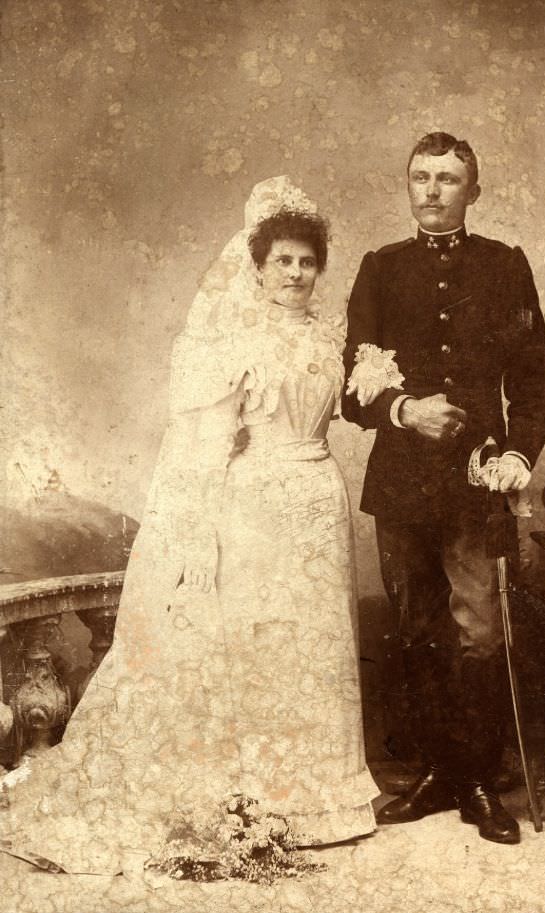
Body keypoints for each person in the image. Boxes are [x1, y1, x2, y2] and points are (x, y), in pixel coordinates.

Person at [1, 176, 378, 876]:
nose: (295, 273)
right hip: (255, 506)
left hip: (319, 501)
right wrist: (201, 535)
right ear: (258, 267)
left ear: (319, 268)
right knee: (260, 649)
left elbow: (356, 401)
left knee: (312, 647)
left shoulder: (333, 336)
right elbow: (203, 446)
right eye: (283, 261)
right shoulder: (230, 341)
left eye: (306, 262)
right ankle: (263, 797)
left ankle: (320, 798)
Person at [342, 132, 545, 845]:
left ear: (474, 189)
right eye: (421, 177)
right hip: (401, 482)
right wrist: (404, 409)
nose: (432, 190)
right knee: (417, 629)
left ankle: (476, 781)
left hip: (476, 476)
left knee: (479, 632)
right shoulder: (380, 269)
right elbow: (353, 384)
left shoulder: (505, 266)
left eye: (449, 179)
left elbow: (533, 379)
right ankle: (436, 772)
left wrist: (520, 453)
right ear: (408, 187)